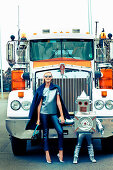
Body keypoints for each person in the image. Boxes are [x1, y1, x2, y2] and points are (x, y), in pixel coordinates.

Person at [26, 71, 72, 163]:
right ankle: (47, 153)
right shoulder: (41, 89)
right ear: (43, 77)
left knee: (60, 131)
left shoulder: (56, 88)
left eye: (49, 76)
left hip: (54, 113)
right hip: (43, 113)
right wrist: (38, 119)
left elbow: (59, 102)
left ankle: (60, 152)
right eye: (46, 76)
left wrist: (62, 115)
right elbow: (39, 105)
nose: (47, 77)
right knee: (45, 133)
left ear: (51, 78)